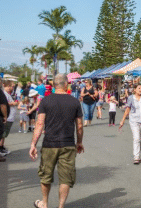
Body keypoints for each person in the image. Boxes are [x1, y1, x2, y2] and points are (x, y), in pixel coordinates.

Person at [30, 73, 84, 208]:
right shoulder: (74, 101)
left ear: (53, 85)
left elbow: (39, 124)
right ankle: (60, 206)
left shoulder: (45, 101)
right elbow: (80, 126)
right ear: (66, 84)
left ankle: (45, 204)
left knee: (46, 176)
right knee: (66, 178)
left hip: (49, 144)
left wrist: (33, 144)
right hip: (68, 144)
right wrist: (79, 142)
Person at [0, 80, 19, 155]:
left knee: (5, 134)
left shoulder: (7, 94)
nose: (12, 88)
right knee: (3, 133)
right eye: (11, 86)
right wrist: (14, 103)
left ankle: (2, 147)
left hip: (10, 117)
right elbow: (5, 103)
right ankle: (0, 148)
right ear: (7, 86)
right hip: (8, 117)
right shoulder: (4, 94)